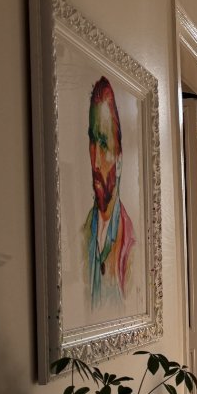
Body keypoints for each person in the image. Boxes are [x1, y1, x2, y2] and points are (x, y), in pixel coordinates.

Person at [83, 76, 135, 307]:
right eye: (92, 141)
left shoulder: (130, 246)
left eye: (104, 144)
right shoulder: (84, 233)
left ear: (120, 160)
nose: (95, 162)